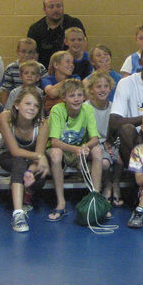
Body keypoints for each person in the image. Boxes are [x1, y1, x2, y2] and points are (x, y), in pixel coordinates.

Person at [47, 79, 104, 221]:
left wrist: (85, 147)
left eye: (79, 95)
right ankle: (61, 202)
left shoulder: (88, 109)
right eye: (72, 96)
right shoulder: (57, 110)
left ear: (84, 97)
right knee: (55, 153)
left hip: (79, 152)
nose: (76, 99)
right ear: (64, 98)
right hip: (63, 151)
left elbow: (95, 138)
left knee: (97, 150)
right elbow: (54, 142)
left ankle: (95, 199)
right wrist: (76, 149)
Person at [0, 87, 50, 232]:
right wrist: (40, 156)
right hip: (8, 155)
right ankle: (18, 214)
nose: (32, 108)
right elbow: (14, 151)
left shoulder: (43, 124)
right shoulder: (5, 117)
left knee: (39, 176)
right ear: (17, 105)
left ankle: (27, 192)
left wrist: (30, 171)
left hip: (31, 160)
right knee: (19, 161)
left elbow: (38, 155)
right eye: (28, 104)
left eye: (36, 105)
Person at [85, 71, 124, 207]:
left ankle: (116, 183)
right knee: (105, 162)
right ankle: (107, 184)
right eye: (98, 86)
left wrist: (110, 143)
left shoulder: (114, 107)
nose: (103, 89)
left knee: (120, 159)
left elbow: (116, 131)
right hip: (94, 143)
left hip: (110, 141)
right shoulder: (86, 107)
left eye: (106, 86)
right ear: (91, 90)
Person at [27, 0, 86, 68]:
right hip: (45, 72)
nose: (56, 10)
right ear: (44, 9)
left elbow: (83, 48)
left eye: (59, 6)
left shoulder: (74, 23)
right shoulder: (35, 29)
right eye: (51, 7)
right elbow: (31, 57)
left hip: (72, 69)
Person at [0, 38, 39, 108]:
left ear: (35, 53)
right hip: (16, 103)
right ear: (17, 52)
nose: (27, 55)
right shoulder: (11, 68)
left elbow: (45, 90)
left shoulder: (40, 67)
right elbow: (5, 93)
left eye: (30, 52)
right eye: (23, 51)